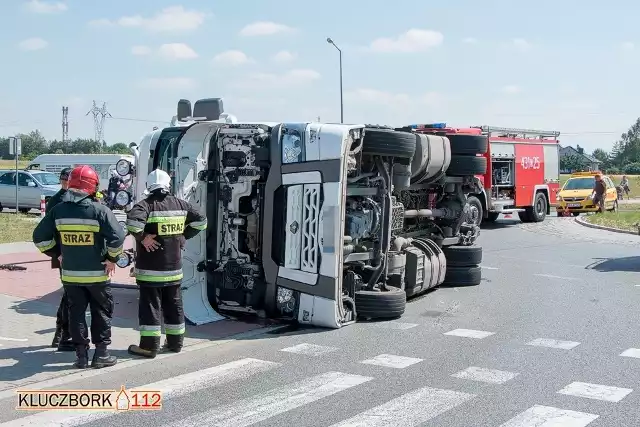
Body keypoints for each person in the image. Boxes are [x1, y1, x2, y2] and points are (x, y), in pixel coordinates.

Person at [32, 165, 126, 369]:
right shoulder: (99, 210)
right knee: (101, 312)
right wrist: (111, 259)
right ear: (92, 186)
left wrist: (56, 253)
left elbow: (39, 238)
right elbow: (118, 237)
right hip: (98, 276)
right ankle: (101, 354)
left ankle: (81, 357)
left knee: (76, 314)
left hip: (71, 276)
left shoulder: (58, 211)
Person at [126, 169, 207, 358]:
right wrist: (183, 236)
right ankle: (175, 343)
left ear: (148, 186)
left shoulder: (145, 205)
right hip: (174, 270)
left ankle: (149, 346)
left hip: (150, 270)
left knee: (151, 307)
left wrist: (144, 237)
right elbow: (202, 222)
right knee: (174, 305)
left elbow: (132, 224)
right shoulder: (181, 205)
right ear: (168, 185)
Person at [47, 167, 75, 351]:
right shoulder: (56, 201)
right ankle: (63, 333)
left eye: (68, 179)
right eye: (63, 179)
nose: (65, 182)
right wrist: (56, 253)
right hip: (64, 253)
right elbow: (49, 230)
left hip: (78, 253)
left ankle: (61, 333)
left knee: (69, 294)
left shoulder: (79, 197)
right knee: (69, 294)